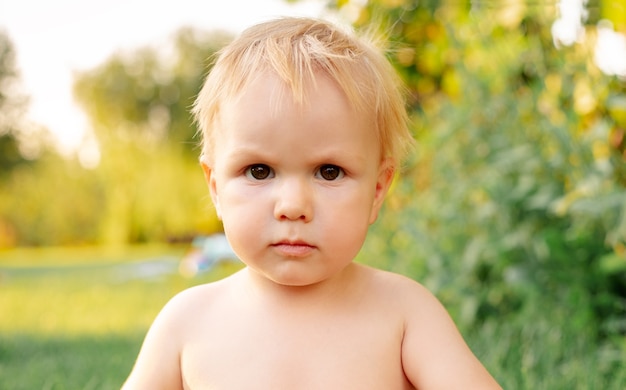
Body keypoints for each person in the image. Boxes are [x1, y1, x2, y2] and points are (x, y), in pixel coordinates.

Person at [122, 17, 501, 389]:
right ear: (216, 187)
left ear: (377, 190)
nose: (292, 205)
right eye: (259, 171)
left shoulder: (404, 314)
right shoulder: (187, 324)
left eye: (329, 172)